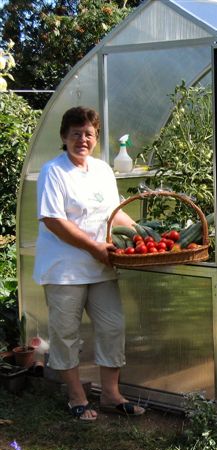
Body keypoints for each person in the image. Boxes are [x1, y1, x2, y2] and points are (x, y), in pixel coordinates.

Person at [33, 106, 145, 420]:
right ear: (64, 137)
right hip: (64, 268)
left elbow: (114, 212)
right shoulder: (53, 171)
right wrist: (94, 247)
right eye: (76, 134)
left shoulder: (102, 170)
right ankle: (76, 396)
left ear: (95, 137)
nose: (82, 139)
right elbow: (53, 220)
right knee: (66, 333)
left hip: (100, 266)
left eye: (88, 134)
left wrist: (140, 234)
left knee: (112, 327)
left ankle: (110, 394)